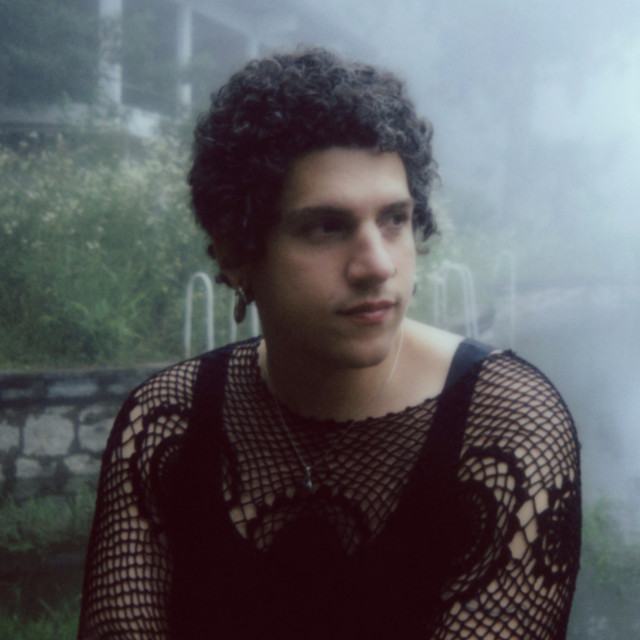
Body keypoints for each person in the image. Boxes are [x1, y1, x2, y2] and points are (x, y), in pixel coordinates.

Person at [78, 48, 581, 639]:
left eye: (394, 219)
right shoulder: (167, 422)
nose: (378, 265)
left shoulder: (509, 421)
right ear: (237, 249)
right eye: (326, 226)